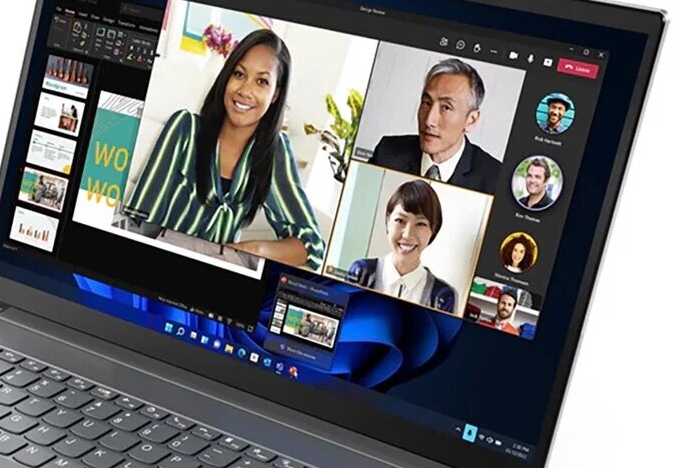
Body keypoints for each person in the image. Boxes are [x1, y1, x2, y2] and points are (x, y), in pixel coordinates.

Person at [119, 29, 325, 271]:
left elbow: (312, 246)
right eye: (239, 74)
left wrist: (251, 250)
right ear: (227, 77)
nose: (245, 91)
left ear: (275, 95)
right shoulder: (186, 128)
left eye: (261, 81)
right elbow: (138, 220)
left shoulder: (274, 152)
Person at [369, 58, 502, 194]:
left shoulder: (495, 180)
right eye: (426, 103)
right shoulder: (387, 153)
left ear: (471, 121)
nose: (429, 121)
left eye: (446, 107)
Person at [345, 179, 457, 312]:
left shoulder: (442, 295)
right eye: (400, 220)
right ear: (388, 221)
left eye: (420, 224)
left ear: (434, 229)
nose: (408, 235)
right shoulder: (361, 272)